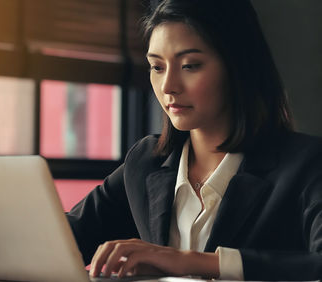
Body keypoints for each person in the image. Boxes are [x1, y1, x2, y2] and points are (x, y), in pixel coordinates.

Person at [66, 0, 322, 280]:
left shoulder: (307, 165)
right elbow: (65, 239)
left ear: (238, 67)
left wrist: (192, 261)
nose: (168, 86)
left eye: (190, 65)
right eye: (157, 67)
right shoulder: (147, 161)